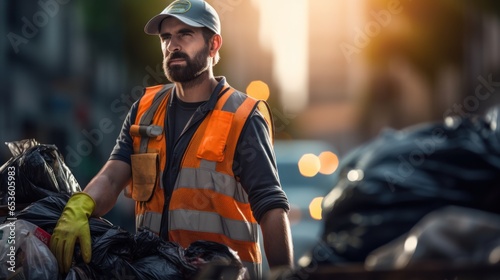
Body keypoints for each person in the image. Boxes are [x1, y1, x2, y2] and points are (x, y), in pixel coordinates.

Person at [49, 0, 294, 278]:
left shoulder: (242, 116)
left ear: (213, 45)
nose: (172, 45)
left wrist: (283, 273)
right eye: (166, 37)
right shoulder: (145, 109)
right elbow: (112, 177)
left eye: (185, 35)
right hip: (152, 272)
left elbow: (271, 206)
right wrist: (83, 204)